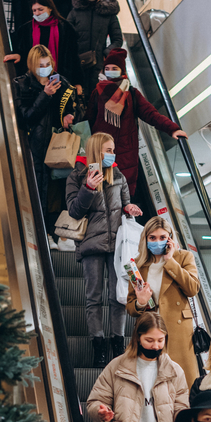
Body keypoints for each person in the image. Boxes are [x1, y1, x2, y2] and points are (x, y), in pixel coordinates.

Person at [65, 132, 142, 366]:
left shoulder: (117, 175)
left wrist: (130, 208)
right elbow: (74, 211)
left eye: (113, 150)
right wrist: (88, 187)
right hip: (91, 245)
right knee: (93, 298)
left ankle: (117, 345)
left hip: (118, 244)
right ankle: (98, 347)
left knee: (118, 295)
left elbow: (126, 201)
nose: (112, 154)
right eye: (108, 150)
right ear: (96, 150)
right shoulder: (77, 176)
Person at [87, 49, 188, 195]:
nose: (110, 72)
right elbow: (88, 120)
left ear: (122, 70)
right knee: (100, 188)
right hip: (100, 149)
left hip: (125, 150)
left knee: (123, 191)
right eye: (107, 69)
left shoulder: (132, 93)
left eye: (114, 69)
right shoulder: (97, 93)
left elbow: (150, 114)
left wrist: (172, 129)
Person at [126, 215, 200, 387]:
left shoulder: (184, 257)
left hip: (178, 330)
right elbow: (130, 307)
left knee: (182, 383)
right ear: (145, 239)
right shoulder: (138, 264)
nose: (157, 241)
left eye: (162, 237)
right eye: (152, 237)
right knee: (150, 384)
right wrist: (141, 303)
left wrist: (170, 261)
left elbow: (192, 288)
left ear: (170, 239)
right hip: (150, 333)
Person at [15, 44, 77, 230]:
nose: (45, 68)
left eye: (48, 64)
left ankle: (56, 232)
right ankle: (40, 233)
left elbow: (74, 110)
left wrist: (70, 117)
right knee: (35, 190)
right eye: (40, 65)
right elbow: (26, 118)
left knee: (56, 190)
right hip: (33, 146)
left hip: (58, 148)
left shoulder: (62, 84)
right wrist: (45, 95)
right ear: (32, 66)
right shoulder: (22, 84)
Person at [4, 0, 82, 87]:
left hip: (62, 79)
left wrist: (77, 82)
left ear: (50, 8)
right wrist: (19, 55)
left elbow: (73, 57)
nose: (37, 13)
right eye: (34, 10)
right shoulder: (25, 29)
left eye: (40, 9)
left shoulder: (66, 28)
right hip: (34, 82)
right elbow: (24, 51)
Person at [66, 0, 123, 97]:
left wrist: (105, 53)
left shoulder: (108, 13)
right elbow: (66, 36)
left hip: (98, 65)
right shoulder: (75, 12)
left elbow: (117, 39)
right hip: (77, 64)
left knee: (95, 99)